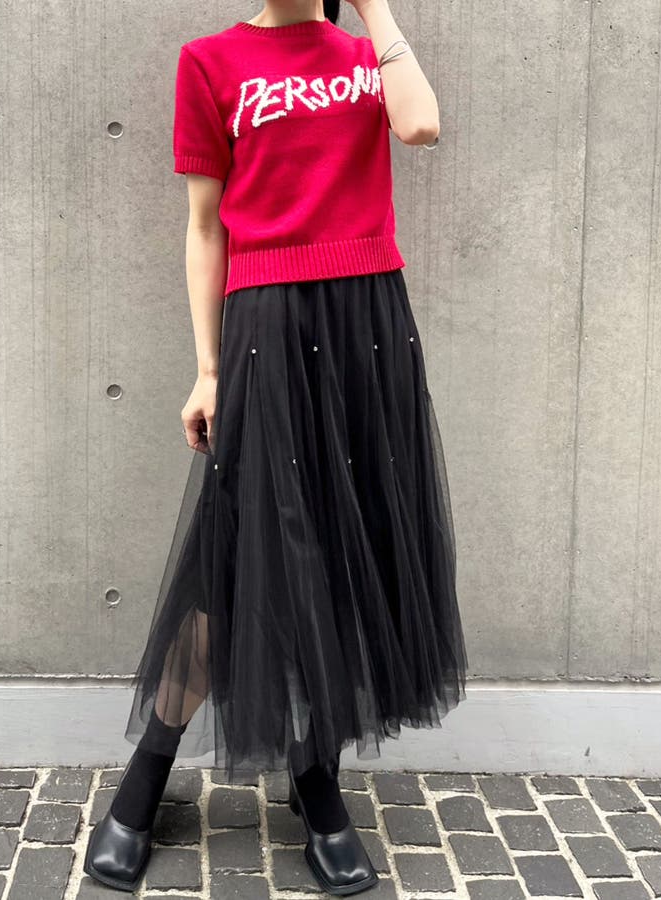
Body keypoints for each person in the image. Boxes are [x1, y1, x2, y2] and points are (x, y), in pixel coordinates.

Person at [85, 0, 468, 894]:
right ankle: (151, 766)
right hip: (266, 324)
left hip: (367, 322)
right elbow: (204, 226)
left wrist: (373, 9)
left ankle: (315, 772)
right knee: (237, 550)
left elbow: (420, 125)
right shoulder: (209, 63)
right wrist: (208, 368)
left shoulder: (365, 55)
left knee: (342, 545)